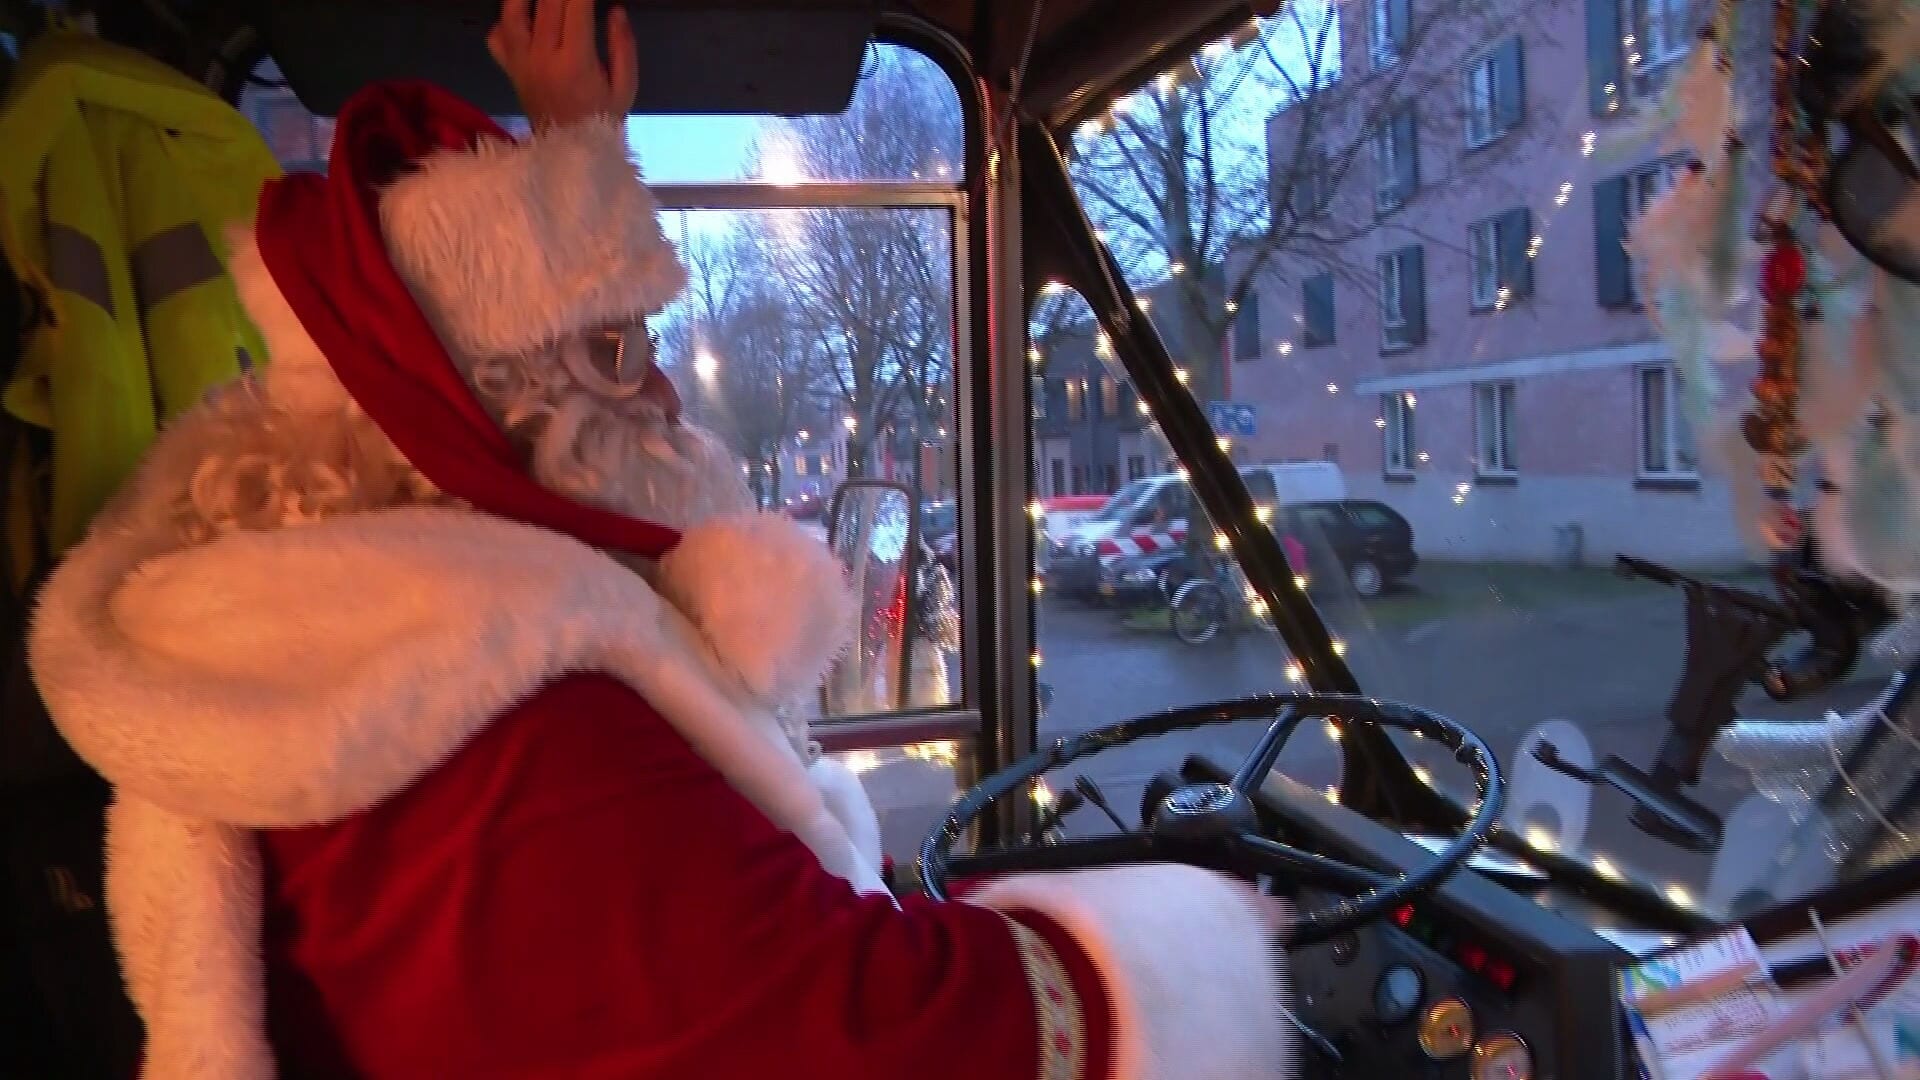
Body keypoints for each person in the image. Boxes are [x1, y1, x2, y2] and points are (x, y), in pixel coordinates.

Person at [27, 1, 1292, 1077]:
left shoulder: (361, 648)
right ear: (480, 402)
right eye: (622, 352)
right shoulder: (521, 736)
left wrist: (583, 149)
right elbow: (862, 1032)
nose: (672, 400)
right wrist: (1200, 942)